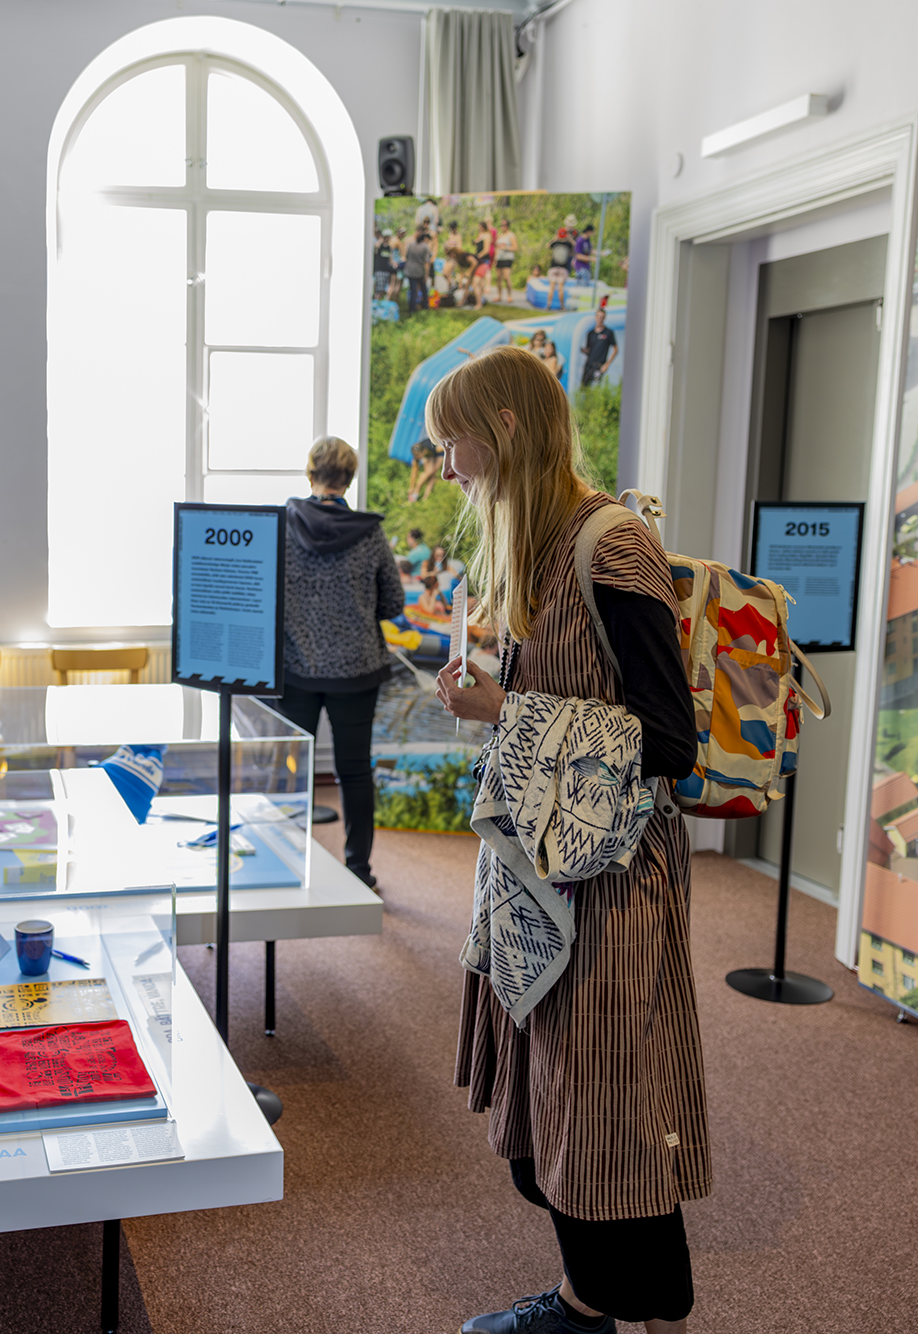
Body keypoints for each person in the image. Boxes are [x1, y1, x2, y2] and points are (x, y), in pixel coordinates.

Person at [429, 345, 704, 1334]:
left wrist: (506, 708)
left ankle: (598, 1310)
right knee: (567, 1102)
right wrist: (499, 701)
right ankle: (613, 1303)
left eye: (452, 442)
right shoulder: (544, 543)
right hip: (550, 872)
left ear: (503, 428)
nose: (446, 466)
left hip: (609, 883)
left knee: (604, 1105)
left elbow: (669, 743)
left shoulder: (611, 545)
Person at [276, 437, 403, 888]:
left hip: (295, 670)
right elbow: (393, 602)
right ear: (348, 478)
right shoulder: (369, 533)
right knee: (354, 771)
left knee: (291, 770)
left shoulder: (282, 527)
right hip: (356, 671)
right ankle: (358, 870)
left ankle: (287, 864)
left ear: (310, 474)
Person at [579, 305, 620, 389]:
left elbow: (615, 349)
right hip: (588, 365)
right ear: (595, 317)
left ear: (604, 318)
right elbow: (589, 350)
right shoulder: (590, 333)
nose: (600, 319)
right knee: (584, 388)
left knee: (595, 389)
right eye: (598, 316)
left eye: (602, 317)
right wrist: (583, 350)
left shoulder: (608, 332)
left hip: (599, 366)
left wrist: (607, 364)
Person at [404, 229, 433, 316]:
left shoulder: (410, 245)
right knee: (424, 289)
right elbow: (426, 262)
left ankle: (412, 309)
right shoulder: (425, 247)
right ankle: (425, 306)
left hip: (410, 270)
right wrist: (426, 275)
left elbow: (406, 256)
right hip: (419, 271)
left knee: (413, 290)